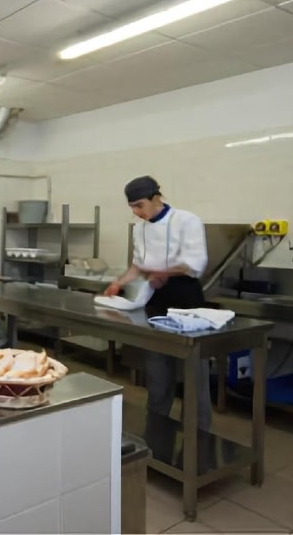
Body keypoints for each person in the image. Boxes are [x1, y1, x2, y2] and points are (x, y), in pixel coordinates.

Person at [104, 176, 212, 430]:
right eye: (132, 207)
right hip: (155, 303)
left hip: (187, 302)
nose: (136, 212)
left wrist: (164, 273)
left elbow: (196, 263)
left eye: (139, 205)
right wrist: (118, 283)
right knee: (157, 372)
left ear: (156, 198)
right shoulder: (140, 229)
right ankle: (157, 429)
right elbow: (138, 266)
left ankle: (198, 432)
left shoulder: (187, 221)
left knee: (194, 373)